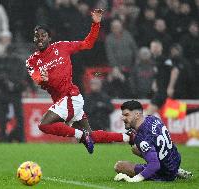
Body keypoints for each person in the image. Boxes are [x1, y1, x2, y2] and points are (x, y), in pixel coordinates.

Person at [26, 8, 130, 154]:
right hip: (63, 100)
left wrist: (95, 24)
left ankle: (81, 135)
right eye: (37, 36)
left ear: (50, 38)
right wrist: (42, 80)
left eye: (43, 35)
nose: (40, 38)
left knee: (44, 125)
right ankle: (129, 138)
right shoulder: (31, 60)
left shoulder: (62, 46)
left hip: (70, 96)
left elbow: (88, 43)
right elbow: (36, 78)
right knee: (92, 136)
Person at [114, 100, 192, 182]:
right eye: (123, 115)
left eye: (126, 115)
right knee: (135, 148)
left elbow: (155, 165)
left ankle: (171, 173)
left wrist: (133, 179)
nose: (123, 118)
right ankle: (177, 170)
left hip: (165, 173)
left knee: (119, 166)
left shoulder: (142, 137)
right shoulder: (152, 118)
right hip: (175, 160)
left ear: (137, 115)